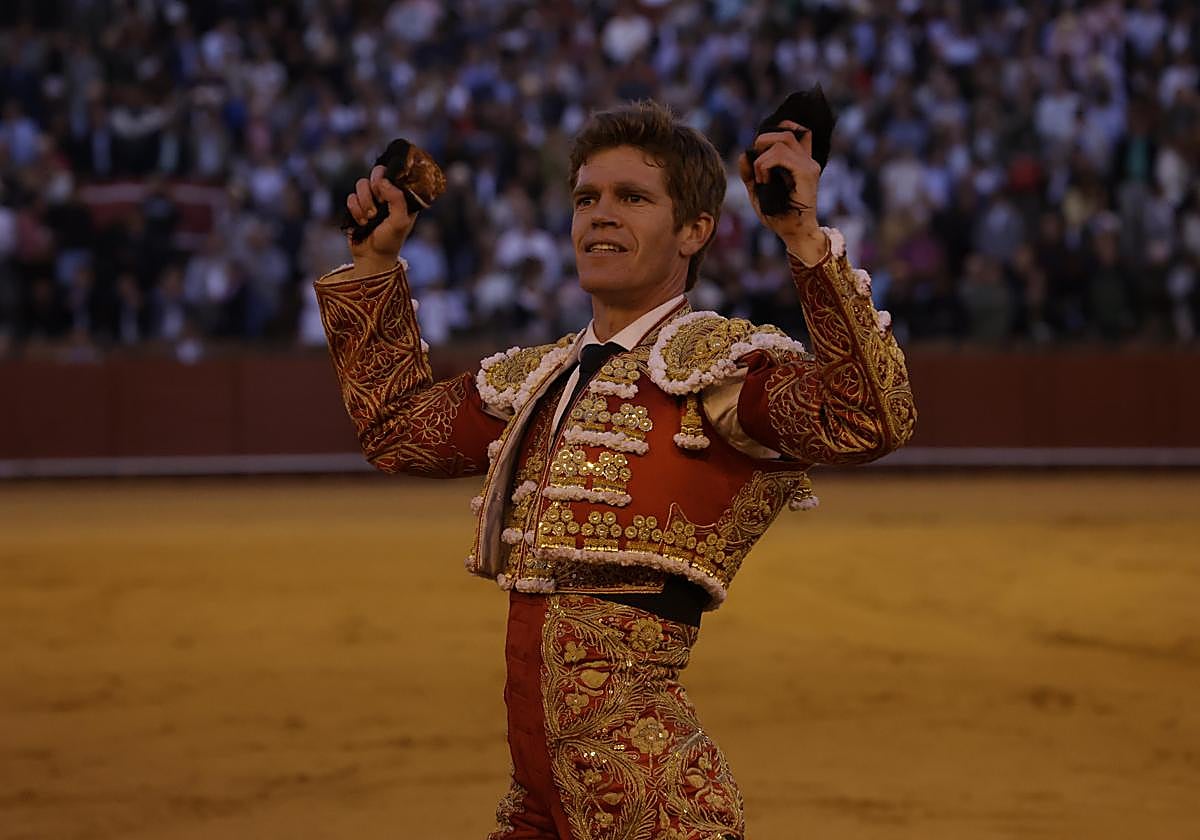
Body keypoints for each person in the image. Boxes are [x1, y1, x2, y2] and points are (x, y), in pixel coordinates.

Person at [314, 101, 915, 839]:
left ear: (694, 230)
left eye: (632, 198)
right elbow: (398, 431)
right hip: (541, 798)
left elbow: (868, 417)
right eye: (586, 199)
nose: (600, 216)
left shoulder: (720, 369)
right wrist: (376, 264)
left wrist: (803, 238)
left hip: (649, 796)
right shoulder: (539, 379)